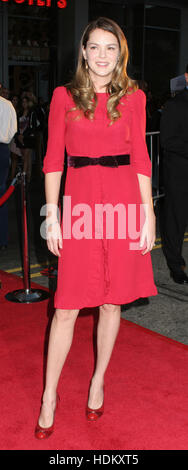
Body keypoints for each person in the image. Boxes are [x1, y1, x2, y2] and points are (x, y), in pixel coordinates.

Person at [35, 17, 158, 439]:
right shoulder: (63, 97)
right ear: (83, 52)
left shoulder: (135, 98)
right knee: (66, 306)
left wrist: (149, 214)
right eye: (95, 47)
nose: (103, 55)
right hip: (82, 205)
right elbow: (52, 160)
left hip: (123, 203)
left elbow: (141, 160)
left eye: (111, 48)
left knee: (111, 303)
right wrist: (52, 215)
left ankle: (98, 379)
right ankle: (49, 394)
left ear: (119, 54)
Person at [160, 64, 188, 284]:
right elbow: (167, 140)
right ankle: (175, 264)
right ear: (187, 77)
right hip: (179, 173)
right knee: (175, 220)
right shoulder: (175, 105)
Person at [0, 94, 17, 249]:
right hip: (3, 150)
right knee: (2, 194)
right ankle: (3, 239)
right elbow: (14, 129)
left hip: (3, 148)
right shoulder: (8, 105)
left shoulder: (7, 104)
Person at [14, 96, 37, 183]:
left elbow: (32, 126)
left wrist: (24, 135)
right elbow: (16, 125)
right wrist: (19, 135)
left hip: (28, 138)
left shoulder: (31, 113)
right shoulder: (20, 112)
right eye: (23, 102)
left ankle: (24, 175)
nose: (24, 104)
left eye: (25, 102)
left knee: (27, 156)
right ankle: (27, 175)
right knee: (24, 157)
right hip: (20, 137)